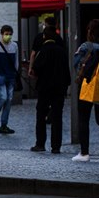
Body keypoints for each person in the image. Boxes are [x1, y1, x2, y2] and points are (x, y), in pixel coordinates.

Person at [70, 19, 99, 162]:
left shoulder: (86, 46)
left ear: (89, 31)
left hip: (86, 85)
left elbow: (76, 64)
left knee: (83, 119)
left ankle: (84, 153)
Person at [31, 26, 71, 154]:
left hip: (44, 87)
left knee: (41, 115)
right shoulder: (62, 51)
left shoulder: (43, 50)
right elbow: (66, 70)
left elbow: (36, 68)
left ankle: (40, 143)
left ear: (44, 37)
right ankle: (56, 146)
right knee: (57, 116)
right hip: (59, 88)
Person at [28, 15, 64, 79]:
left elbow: (33, 54)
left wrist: (31, 68)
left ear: (46, 25)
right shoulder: (59, 38)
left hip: (42, 72)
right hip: (56, 71)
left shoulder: (39, 37)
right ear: (55, 25)